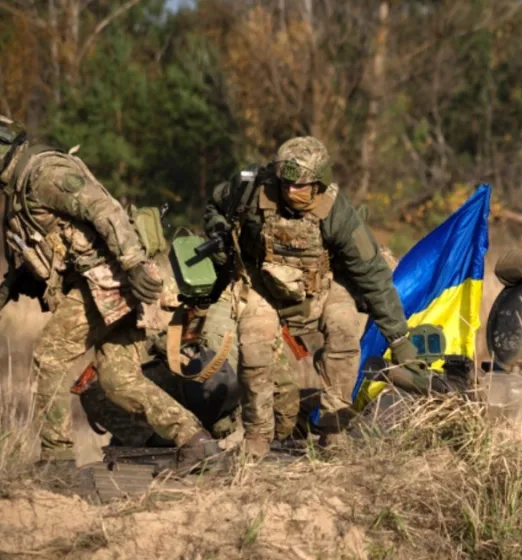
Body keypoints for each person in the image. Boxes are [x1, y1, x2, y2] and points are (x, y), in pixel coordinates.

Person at [0, 115, 215, 468]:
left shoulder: (43, 174)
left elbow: (105, 209)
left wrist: (132, 264)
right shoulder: (21, 188)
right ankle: (195, 441)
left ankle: (57, 459)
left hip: (109, 282)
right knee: (118, 379)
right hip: (111, 285)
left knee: (49, 356)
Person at [204, 136, 417, 457]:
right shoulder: (249, 189)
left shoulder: (338, 213)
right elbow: (213, 206)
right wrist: (218, 226)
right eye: (285, 184)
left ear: (320, 183)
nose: (290, 192)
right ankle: (257, 436)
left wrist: (399, 339)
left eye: (301, 186)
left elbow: (373, 274)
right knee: (254, 343)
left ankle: (334, 432)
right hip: (263, 281)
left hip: (324, 284)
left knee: (344, 335)